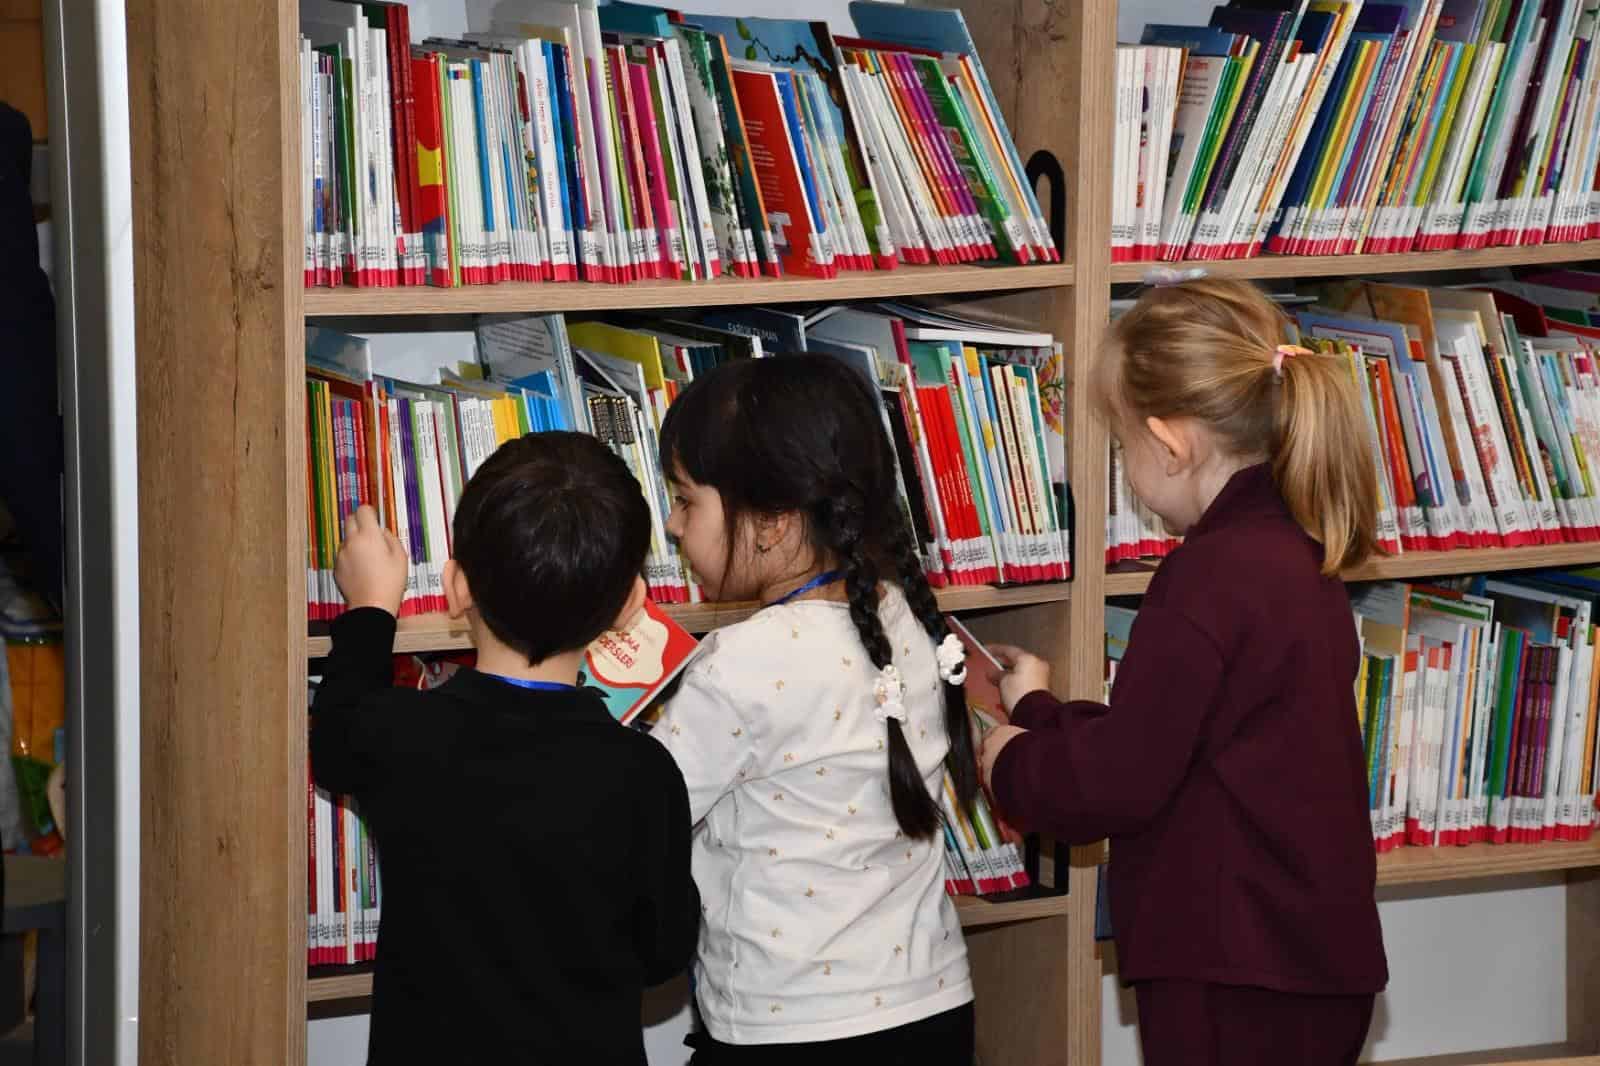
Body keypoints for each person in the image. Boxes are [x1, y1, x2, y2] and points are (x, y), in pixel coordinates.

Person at [980, 278, 1388, 1066]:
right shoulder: (1295, 552)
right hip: (1307, 961)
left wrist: (1012, 765)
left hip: (1229, 965)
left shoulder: (1204, 580)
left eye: (1121, 446)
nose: (1125, 467)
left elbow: (1116, 786)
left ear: (1170, 444)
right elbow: (1168, 743)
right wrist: (1038, 711)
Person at [311, 432, 699, 1064]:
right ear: (632, 601)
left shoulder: (400, 733)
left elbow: (334, 735)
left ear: (457, 585)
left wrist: (372, 607)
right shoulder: (643, 772)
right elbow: (664, 953)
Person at [653, 355, 978, 1064]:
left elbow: (647, 812)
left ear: (771, 521)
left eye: (685, 500)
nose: (673, 525)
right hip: (932, 1005)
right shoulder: (908, 620)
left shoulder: (737, 664)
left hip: (788, 1026)